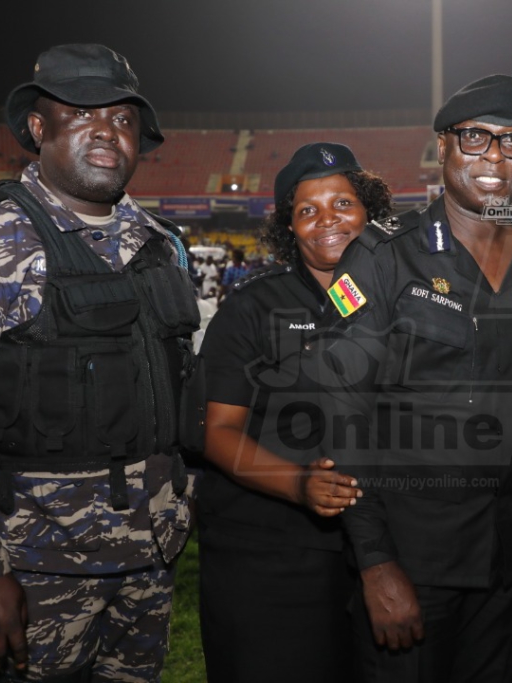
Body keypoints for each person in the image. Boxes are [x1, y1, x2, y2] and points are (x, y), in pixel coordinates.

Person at [0, 44, 200, 681]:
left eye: (122, 119)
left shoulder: (159, 244)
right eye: (83, 113)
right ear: (39, 127)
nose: (108, 131)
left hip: (149, 560)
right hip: (33, 567)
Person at [316, 75, 512, 682]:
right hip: (413, 561)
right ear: (445, 146)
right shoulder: (381, 256)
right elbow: (341, 414)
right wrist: (375, 562)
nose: (495, 158)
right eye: (476, 138)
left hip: (510, 561)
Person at [195, 142, 390, 683]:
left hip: (379, 552)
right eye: (308, 210)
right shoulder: (250, 308)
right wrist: (298, 483)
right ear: (289, 227)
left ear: (369, 210)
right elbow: (216, 430)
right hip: (269, 554)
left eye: (343, 203)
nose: (328, 220)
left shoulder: (406, 303)